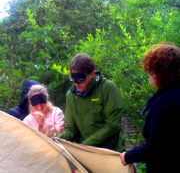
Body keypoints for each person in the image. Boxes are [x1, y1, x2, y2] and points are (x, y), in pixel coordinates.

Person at [120, 43, 180, 173]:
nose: (147, 73)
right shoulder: (170, 94)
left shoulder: (165, 103)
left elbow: (157, 146)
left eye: (150, 70)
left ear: (162, 72)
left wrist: (128, 156)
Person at [57, 53, 124, 151]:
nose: (76, 83)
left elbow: (112, 126)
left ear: (92, 74)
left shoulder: (108, 88)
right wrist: (56, 140)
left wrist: (84, 145)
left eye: (80, 78)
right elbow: (71, 130)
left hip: (111, 152)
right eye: (73, 78)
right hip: (85, 153)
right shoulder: (70, 95)